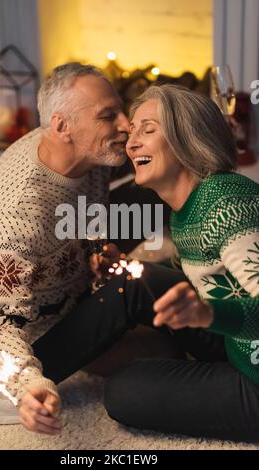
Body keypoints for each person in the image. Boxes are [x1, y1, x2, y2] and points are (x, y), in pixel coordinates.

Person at [0, 62, 129, 434]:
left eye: (122, 110)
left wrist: (96, 250)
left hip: (75, 276)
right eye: (108, 116)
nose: (126, 124)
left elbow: (90, 212)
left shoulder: (91, 152)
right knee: (157, 342)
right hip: (43, 327)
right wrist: (29, 386)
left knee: (158, 180)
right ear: (61, 127)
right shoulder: (16, 214)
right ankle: (2, 391)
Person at [103, 84, 259, 441]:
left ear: (187, 137)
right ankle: (30, 375)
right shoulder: (187, 210)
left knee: (124, 389)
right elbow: (200, 268)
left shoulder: (224, 203)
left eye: (149, 129)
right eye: (133, 132)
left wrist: (207, 315)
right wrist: (125, 263)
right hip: (238, 344)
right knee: (135, 279)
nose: (131, 143)